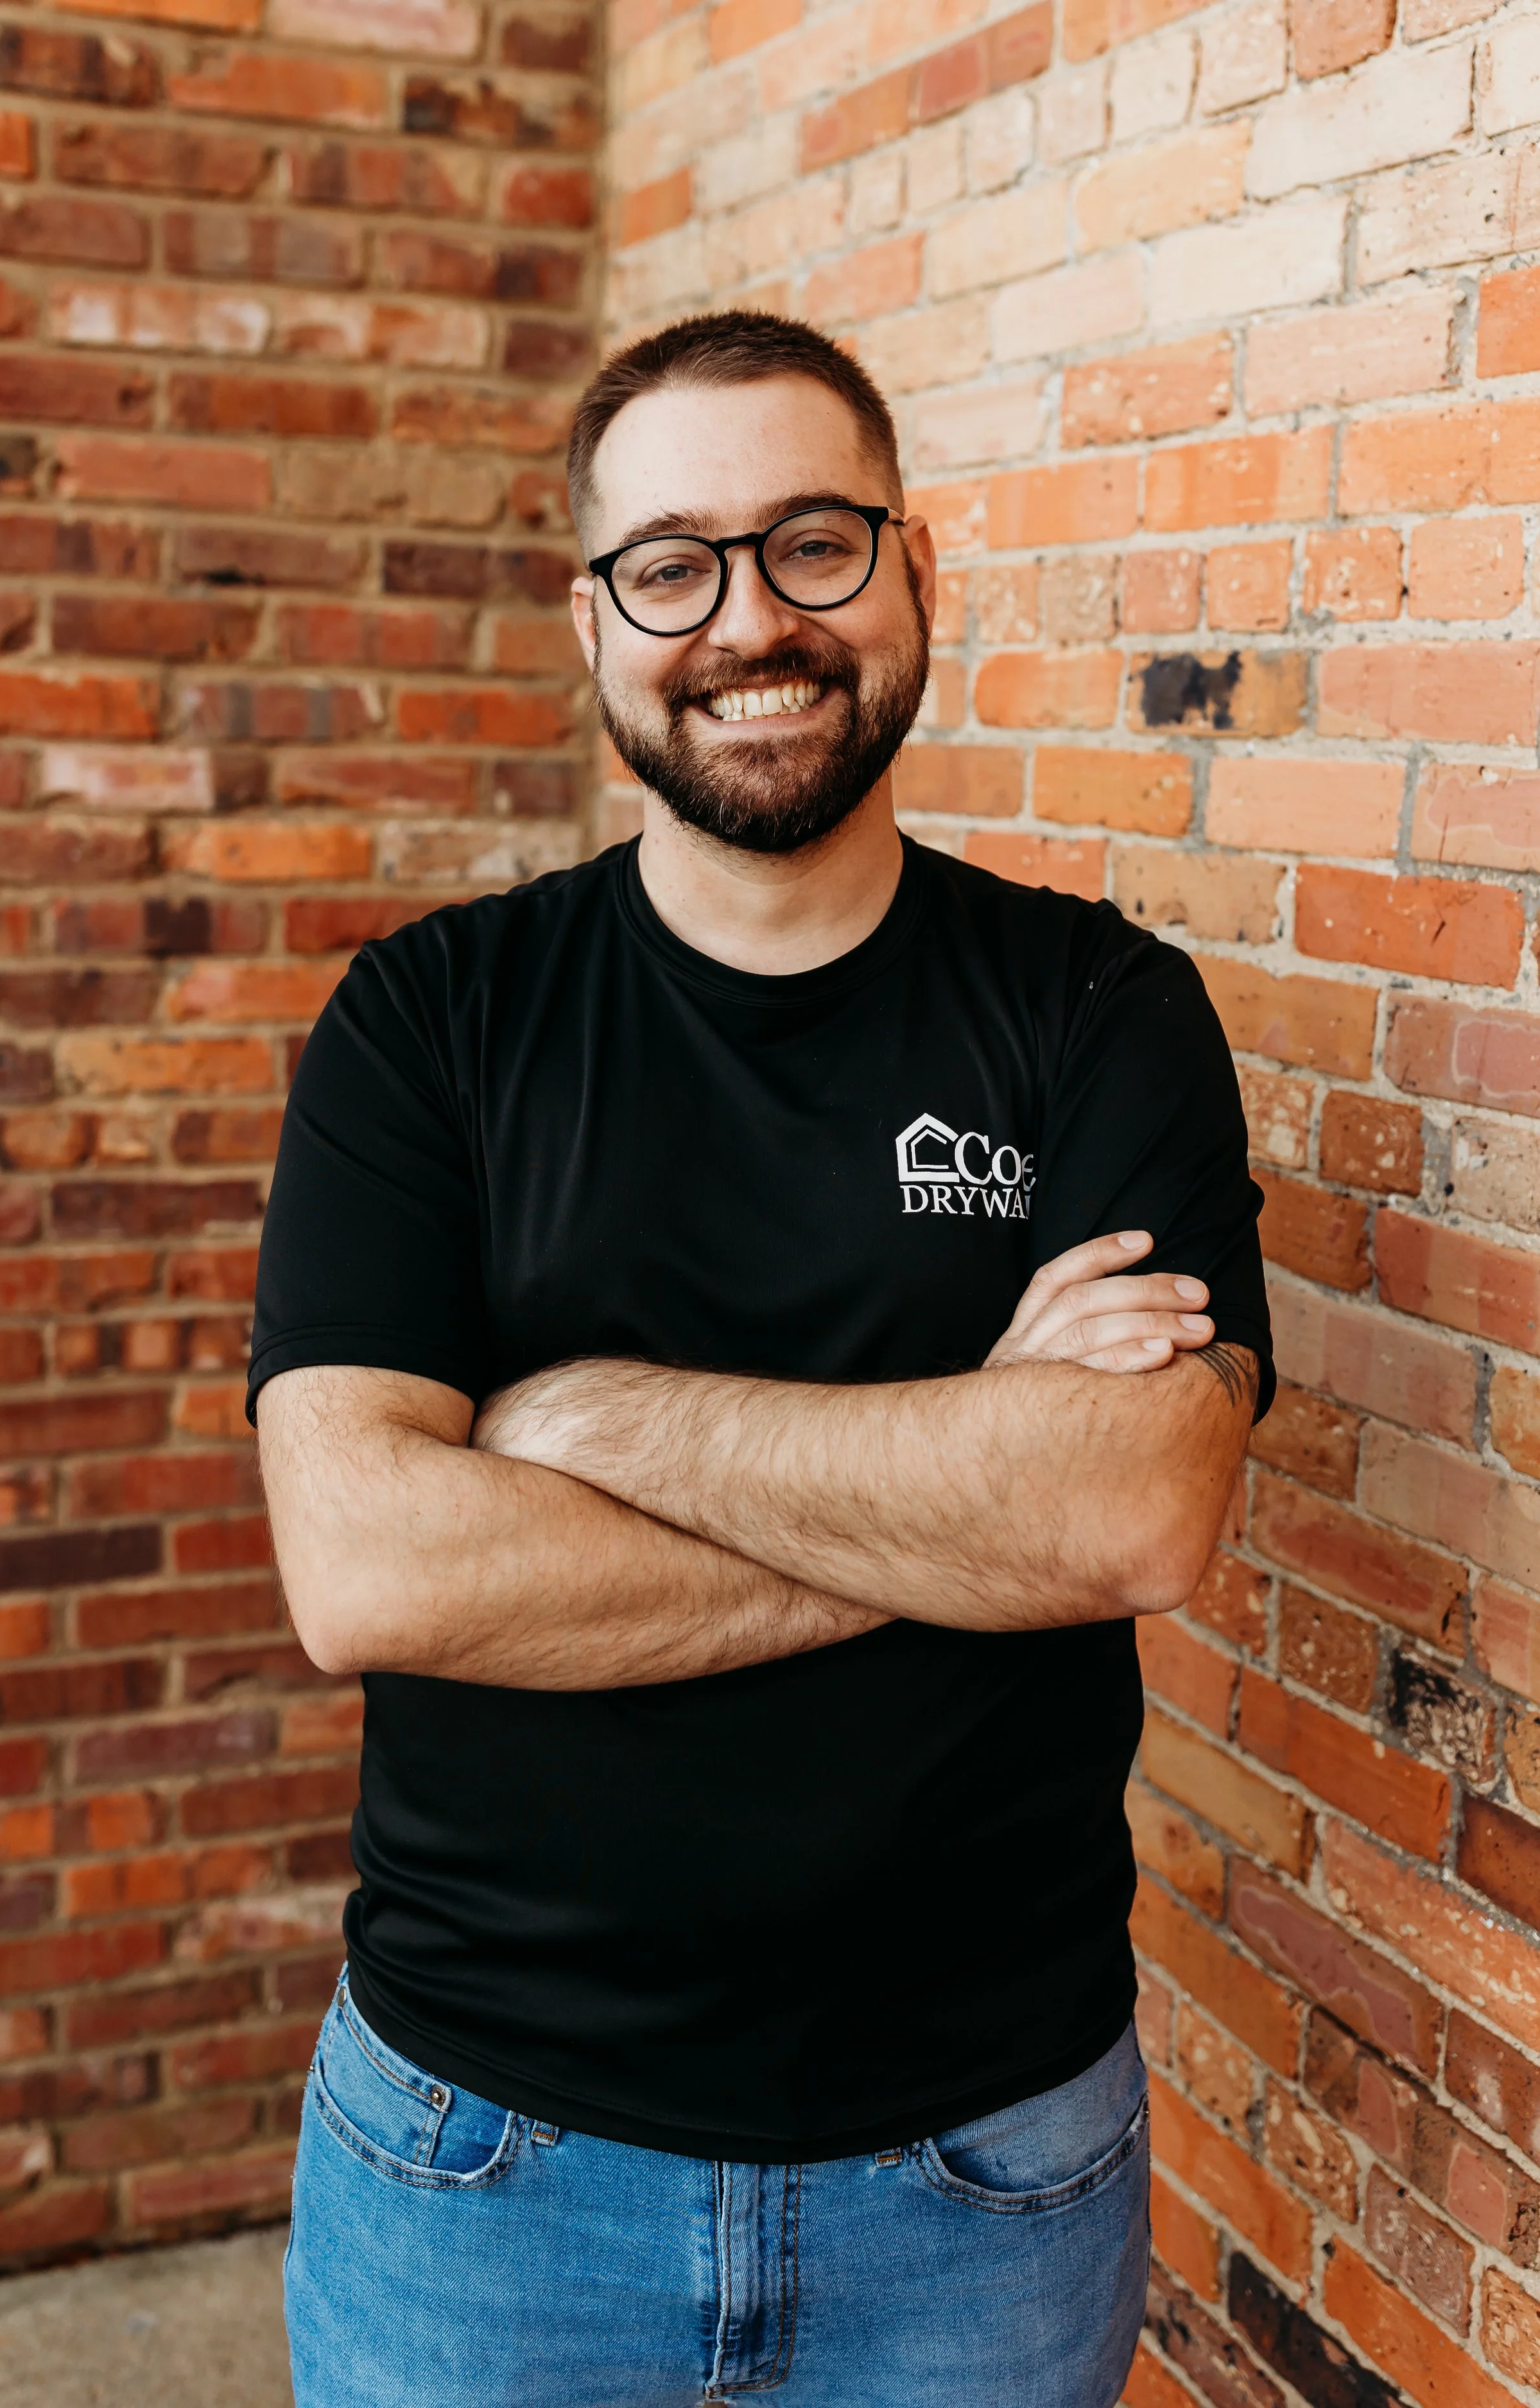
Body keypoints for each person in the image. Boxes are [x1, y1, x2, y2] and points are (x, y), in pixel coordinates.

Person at [252, 309, 1273, 2408]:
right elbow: (372, 1572)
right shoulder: (428, 1024)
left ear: (915, 570)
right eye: (672, 562)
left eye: (813, 541)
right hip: (484, 2162)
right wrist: (968, 1491)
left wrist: (590, 1424)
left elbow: (1131, 1507)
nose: (749, 619)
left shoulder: (1099, 1011)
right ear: (593, 618)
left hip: (984, 2167)